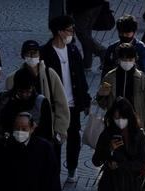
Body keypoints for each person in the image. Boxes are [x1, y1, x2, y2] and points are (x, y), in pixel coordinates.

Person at [41, 15, 92, 182]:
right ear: (59, 31)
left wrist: (85, 100)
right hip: (54, 105)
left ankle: (72, 168)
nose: (72, 33)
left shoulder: (72, 50)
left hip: (73, 103)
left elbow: (81, 78)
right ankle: (54, 171)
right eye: (69, 30)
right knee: (55, 138)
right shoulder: (45, 52)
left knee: (74, 137)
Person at [5, 39, 70, 166]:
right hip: (22, 133)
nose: (31, 57)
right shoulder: (12, 79)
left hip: (47, 133)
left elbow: (61, 104)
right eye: (28, 54)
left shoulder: (50, 74)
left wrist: (59, 131)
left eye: (34, 53)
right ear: (23, 55)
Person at [97, 43, 145, 152]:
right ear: (118, 60)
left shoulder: (142, 78)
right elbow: (102, 104)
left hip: (136, 126)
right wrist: (101, 95)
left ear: (135, 59)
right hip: (115, 124)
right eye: (124, 59)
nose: (127, 62)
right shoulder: (110, 77)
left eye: (130, 59)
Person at [0, 69, 53, 148]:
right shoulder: (4, 99)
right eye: (21, 91)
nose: (24, 95)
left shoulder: (41, 102)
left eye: (28, 91)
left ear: (33, 87)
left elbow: (46, 132)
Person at [101, 14, 145, 79]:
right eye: (121, 33)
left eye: (127, 34)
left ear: (134, 32)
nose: (124, 36)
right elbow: (105, 74)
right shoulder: (111, 49)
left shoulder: (141, 49)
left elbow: (144, 73)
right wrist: (105, 88)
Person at [70, 0, 107, 71]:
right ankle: (87, 62)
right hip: (95, 4)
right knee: (86, 32)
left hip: (83, 6)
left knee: (82, 33)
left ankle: (101, 51)